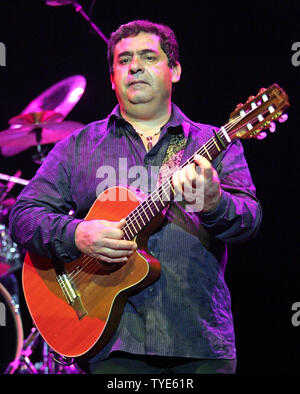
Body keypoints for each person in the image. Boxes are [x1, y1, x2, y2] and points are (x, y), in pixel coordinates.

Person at [9, 20, 262, 374]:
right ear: (112, 77)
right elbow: (23, 215)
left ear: (174, 70)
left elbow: (249, 222)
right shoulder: (77, 147)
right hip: (110, 345)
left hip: (198, 341)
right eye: (124, 59)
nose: (135, 66)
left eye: (148, 56)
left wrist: (213, 203)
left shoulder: (212, 144)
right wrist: (77, 235)